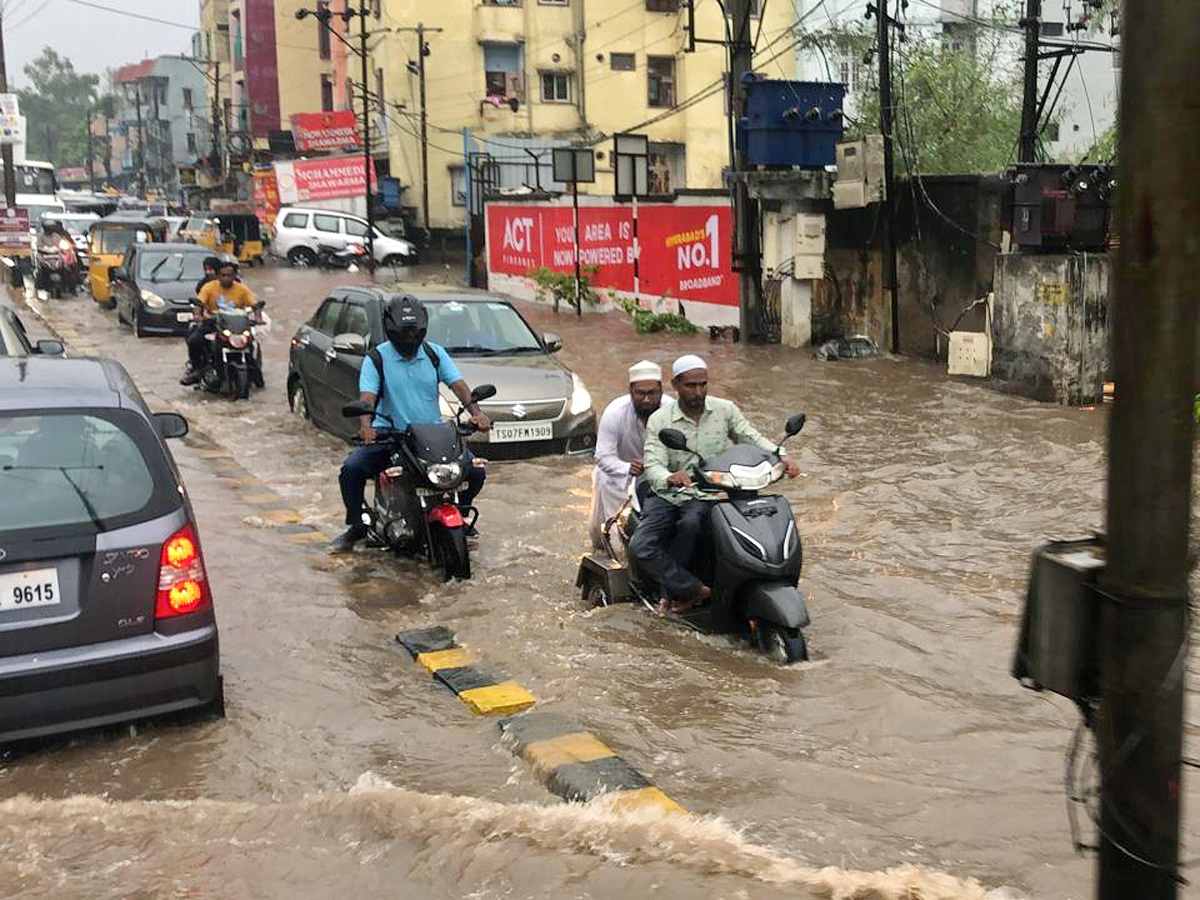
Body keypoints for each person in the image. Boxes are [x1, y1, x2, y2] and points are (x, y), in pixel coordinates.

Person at [631, 354, 802, 614]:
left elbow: (749, 436)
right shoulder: (660, 420)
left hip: (719, 490)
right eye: (690, 385)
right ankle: (688, 589)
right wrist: (670, 476)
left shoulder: (724, 409)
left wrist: (781, 456)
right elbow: (653, 463)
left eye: (703, 384)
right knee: (643, 545)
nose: (698, 391)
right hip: (672, 494)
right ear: (675, 385)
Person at [331, 294, 493, 552]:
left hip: (433, 435)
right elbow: (367, 397)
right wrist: (366, 427)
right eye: (404, 332)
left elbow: (459, 386)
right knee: (351, 469)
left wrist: (477, 412)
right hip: (391, 435)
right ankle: (356, 525)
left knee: (475, 471)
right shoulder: (377, 359)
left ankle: (460, 512)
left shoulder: (433, 353)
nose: (409, 338)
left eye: (414, 332)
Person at [587, 360, 672, 551]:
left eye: (652, 393)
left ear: (661, 390)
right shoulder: (615, 413)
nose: (647, 400)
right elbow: (602, 457)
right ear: (631, 391)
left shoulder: (672, 411)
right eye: (641, 393)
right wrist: (628, 468)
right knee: (606, 535)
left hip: (659, 478)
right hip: (618, 481)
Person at [181, 258, 259, 385]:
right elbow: (199, 302)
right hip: (213, 322)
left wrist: (258, 317)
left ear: (235, 275)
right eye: (223, 275)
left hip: (236, 323)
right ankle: (197, 369)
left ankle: (255, 371)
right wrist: (197, 315)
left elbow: (254, 304)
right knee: (194, 340)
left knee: (250, 343)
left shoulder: (242, 289)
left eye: (229, 275)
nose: (226, 278)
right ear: (218, 276)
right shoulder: (208, 287)